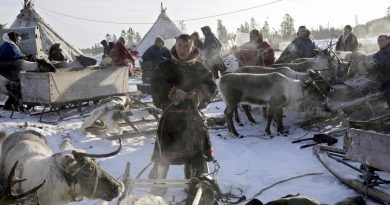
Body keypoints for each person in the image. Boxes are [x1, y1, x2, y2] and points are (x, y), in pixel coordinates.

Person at [148, 34, 216, 195]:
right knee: (163, 154)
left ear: (193, 47)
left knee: (195, 153)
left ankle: (194, 184)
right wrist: (171, 92)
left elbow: (211, 85)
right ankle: (159, 185)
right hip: (170, 118)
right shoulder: (164, 67)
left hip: (192, 117)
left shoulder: (199, 67)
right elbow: (155, 86)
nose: (182, 50)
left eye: (186, 46)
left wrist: (198, 93)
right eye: (179, 46)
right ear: (175, 45)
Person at [367, 34, 390, 108]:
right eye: (378, 41)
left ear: (388, 40)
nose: (380, 43)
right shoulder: (378, 54)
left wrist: (377, 65)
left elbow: (387, 64)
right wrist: (371, 66)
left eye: (382, 40)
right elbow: (373, 61)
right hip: (381, 80)